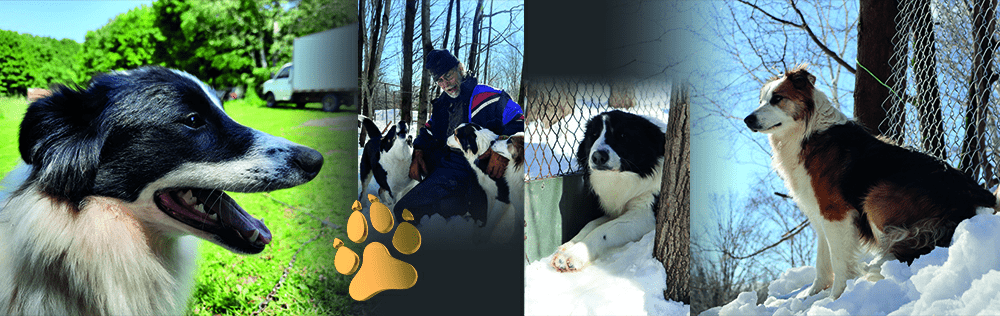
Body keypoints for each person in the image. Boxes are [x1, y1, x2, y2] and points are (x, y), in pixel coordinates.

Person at [393, 49, 524, 225]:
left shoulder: (488, 96)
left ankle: (462, 207)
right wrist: (417, 152)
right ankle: (455, 205)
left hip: (483, 173)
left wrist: (501, 151)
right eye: (440, 80)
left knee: (407, 211)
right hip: (451, 170)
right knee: (407, 210)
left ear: (460, 69)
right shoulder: (442, 104)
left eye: (448, 76)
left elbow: (519, 120)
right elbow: (428, 130)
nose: (446, 84)